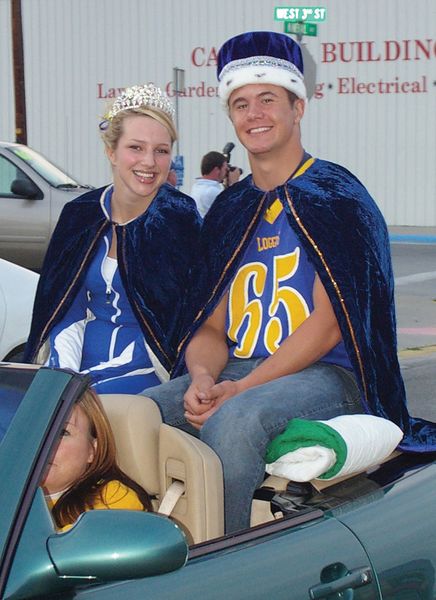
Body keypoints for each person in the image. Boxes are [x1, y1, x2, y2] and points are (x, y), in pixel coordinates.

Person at [143, 31, 436, 534]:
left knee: (236, 422)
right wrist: (204, 379)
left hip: (330, 374)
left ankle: (224, 561)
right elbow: (210, 325)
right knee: (142, 411)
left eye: (267, 99)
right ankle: (140, 543)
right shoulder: (230, 210)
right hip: (239, 366)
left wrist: (242, 389)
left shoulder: (337, 196)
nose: (254, 113)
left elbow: (329, 325)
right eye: (240, 103)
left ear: (298, 106)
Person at [24, 83, 201, 393]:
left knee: (84, 414)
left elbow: (180, 326)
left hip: (149, 367)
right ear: (111, 151)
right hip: (79, 359)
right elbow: (66, 308)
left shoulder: (179, 220)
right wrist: (61, 377)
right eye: (136, 147)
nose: (149, 162)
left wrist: (84, 390)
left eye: (161, 151)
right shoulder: (81, 215)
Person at [41, 387, 152, 530]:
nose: (44, 442)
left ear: (92, 450)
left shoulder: (113, 498)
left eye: (63, 432)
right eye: (34, 431)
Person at [190, 151, 229, 217]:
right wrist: (234, 183)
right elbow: (233, 211)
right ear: (217, 170)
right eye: (225, 169)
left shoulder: (197, 186)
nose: (226, 173)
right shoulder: (211, 191)